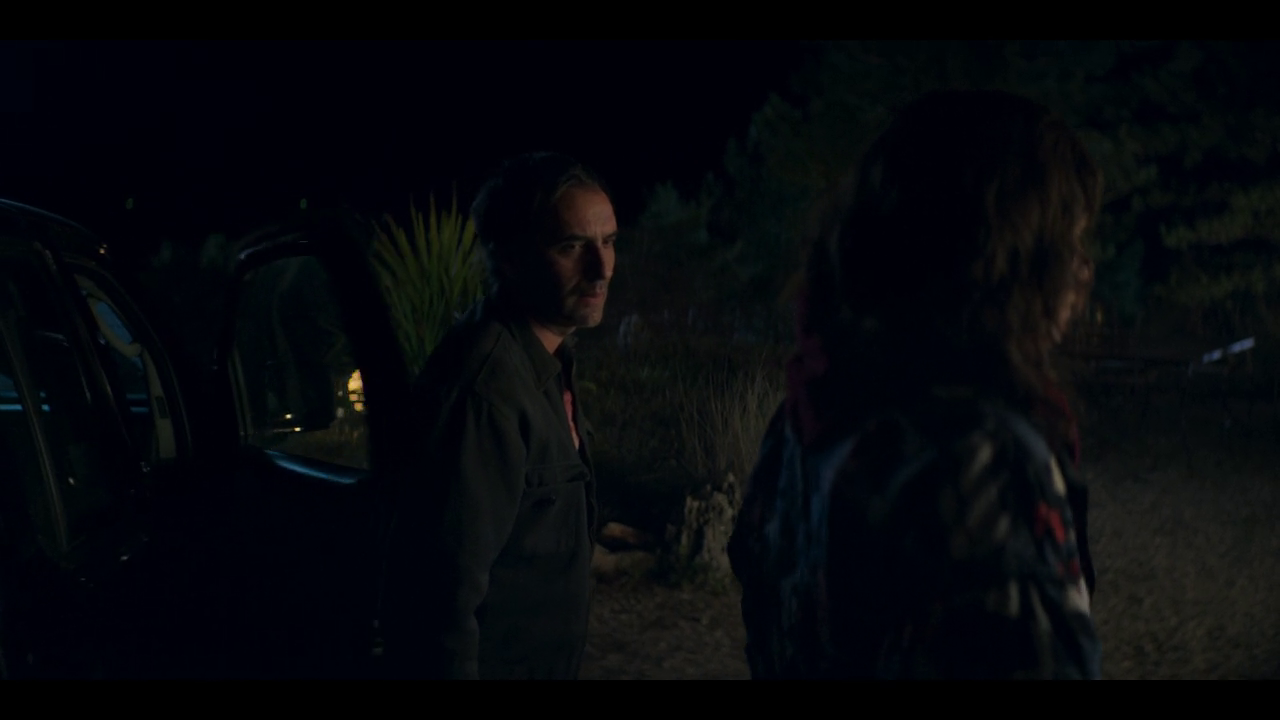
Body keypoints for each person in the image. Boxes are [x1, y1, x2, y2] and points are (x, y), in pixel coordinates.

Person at [727, 89, 1103, 679]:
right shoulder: (981, 459)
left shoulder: (805, 420)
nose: (1083, 270)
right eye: (1068, 242)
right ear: (1000, 254)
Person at [375, 152, 616, 679]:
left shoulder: (548, 363)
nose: (601, 269)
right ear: (509, 257)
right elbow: (438, 603)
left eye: (608, 242)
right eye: (571, 246)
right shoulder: (487, 391)